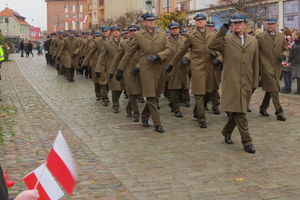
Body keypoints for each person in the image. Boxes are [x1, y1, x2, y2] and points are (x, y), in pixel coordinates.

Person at [208, 14, 259, 153]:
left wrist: (255, 82)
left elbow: (256, 62)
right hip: (231, 81)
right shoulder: (226, 40)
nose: (236, 25)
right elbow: (211, 45)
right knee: (241, 112)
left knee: (238, 110)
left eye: (239, 23)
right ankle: (247, 142)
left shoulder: (253, 41)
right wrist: (223, 28)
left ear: (245, 24)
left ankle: (226, 131)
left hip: (247, 81)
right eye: (234, 23)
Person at [118, 13, 172, 133]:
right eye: (149, 20)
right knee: (151, 97)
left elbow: (169, 50)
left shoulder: (162, 34)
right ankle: (158, 123)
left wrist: (159, 56)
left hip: (159, 69)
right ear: (144, 22)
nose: (152, 22)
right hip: (146, 69)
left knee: (156, 96)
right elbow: (129, 53)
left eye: (153, 20)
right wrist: (120, 69)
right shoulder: (138, 35)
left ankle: (144, 116)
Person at [169, 13, 217, 128]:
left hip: (210, 67)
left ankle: (196, 111)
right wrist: (172, 64)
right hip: (197, 67)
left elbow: (220, 48)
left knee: (208, 92)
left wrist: (218, 55)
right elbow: (182, 51)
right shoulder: (191, 36)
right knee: (199, 93)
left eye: (202, 19)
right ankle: (202, 118)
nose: (200, 21)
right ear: (195, 22)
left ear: (205, 21)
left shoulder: (213, 34)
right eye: (198, 20)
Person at [256, 18, 289, 121]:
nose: (270, 26)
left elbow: (286, 49)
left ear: (276, 25)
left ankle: (263, 107)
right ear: (266, 25)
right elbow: (255, 52)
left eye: (272, 24)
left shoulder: (281, 36)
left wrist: (283, 55)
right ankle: (279, 112)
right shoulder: (260, 37)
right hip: (265, 66)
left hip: (277, 67)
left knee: (270, 89)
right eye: (268, 24)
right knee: (274, 89)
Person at [165, 22, 190, 118]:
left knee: (184, 88)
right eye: (172, 29)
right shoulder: (166, 40)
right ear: (170, 30)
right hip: (171, 67)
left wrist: (187, 57)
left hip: (183, 67)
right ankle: (176, 109)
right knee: (174, 89)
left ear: (179, 29)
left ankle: (174, 104)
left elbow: (189, 51)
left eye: (176, 28)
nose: (174, 30)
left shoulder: (184, 40)